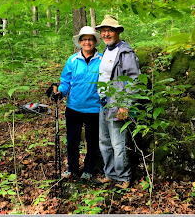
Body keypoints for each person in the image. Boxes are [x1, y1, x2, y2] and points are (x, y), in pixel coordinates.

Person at [94, 15, 140, 189]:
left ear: (118, 32)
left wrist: (125, 104)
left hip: (118, 104)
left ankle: (124, 177)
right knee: (104, 142)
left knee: (118, 144)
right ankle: (110, 174)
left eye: (110, 30)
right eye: (104, 30)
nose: (106, 34)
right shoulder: (106, 50)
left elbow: (134, 80)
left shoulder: (125, 52)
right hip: (103, 102)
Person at [52, 26, 102, 180]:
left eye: (90, 39)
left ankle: (88, 169)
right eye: (84, 39)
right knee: (72, 141)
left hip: (94, 108)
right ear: (80, 42)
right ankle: (72, 169)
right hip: (74, 108)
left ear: (94, 41)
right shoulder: (72, 60)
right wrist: (59, 92)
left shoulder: (102, 60)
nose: (87, 42)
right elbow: (65, 82)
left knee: (92, 142)